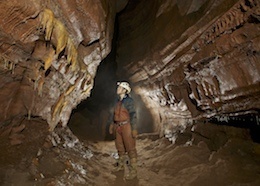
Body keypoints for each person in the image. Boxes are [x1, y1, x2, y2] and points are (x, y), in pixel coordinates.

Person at [108, 81, 138, 180]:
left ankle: (133, 171)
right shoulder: (118, 101)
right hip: (118, 126)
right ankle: (121, 166)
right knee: (119, 146)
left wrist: (133, 129)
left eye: (120, 88)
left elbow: (133, 114)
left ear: (124, 90)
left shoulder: (129, 101)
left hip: (126, 126)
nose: (118, 89)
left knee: (130, 147)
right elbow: (114, 114)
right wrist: (112, 125)